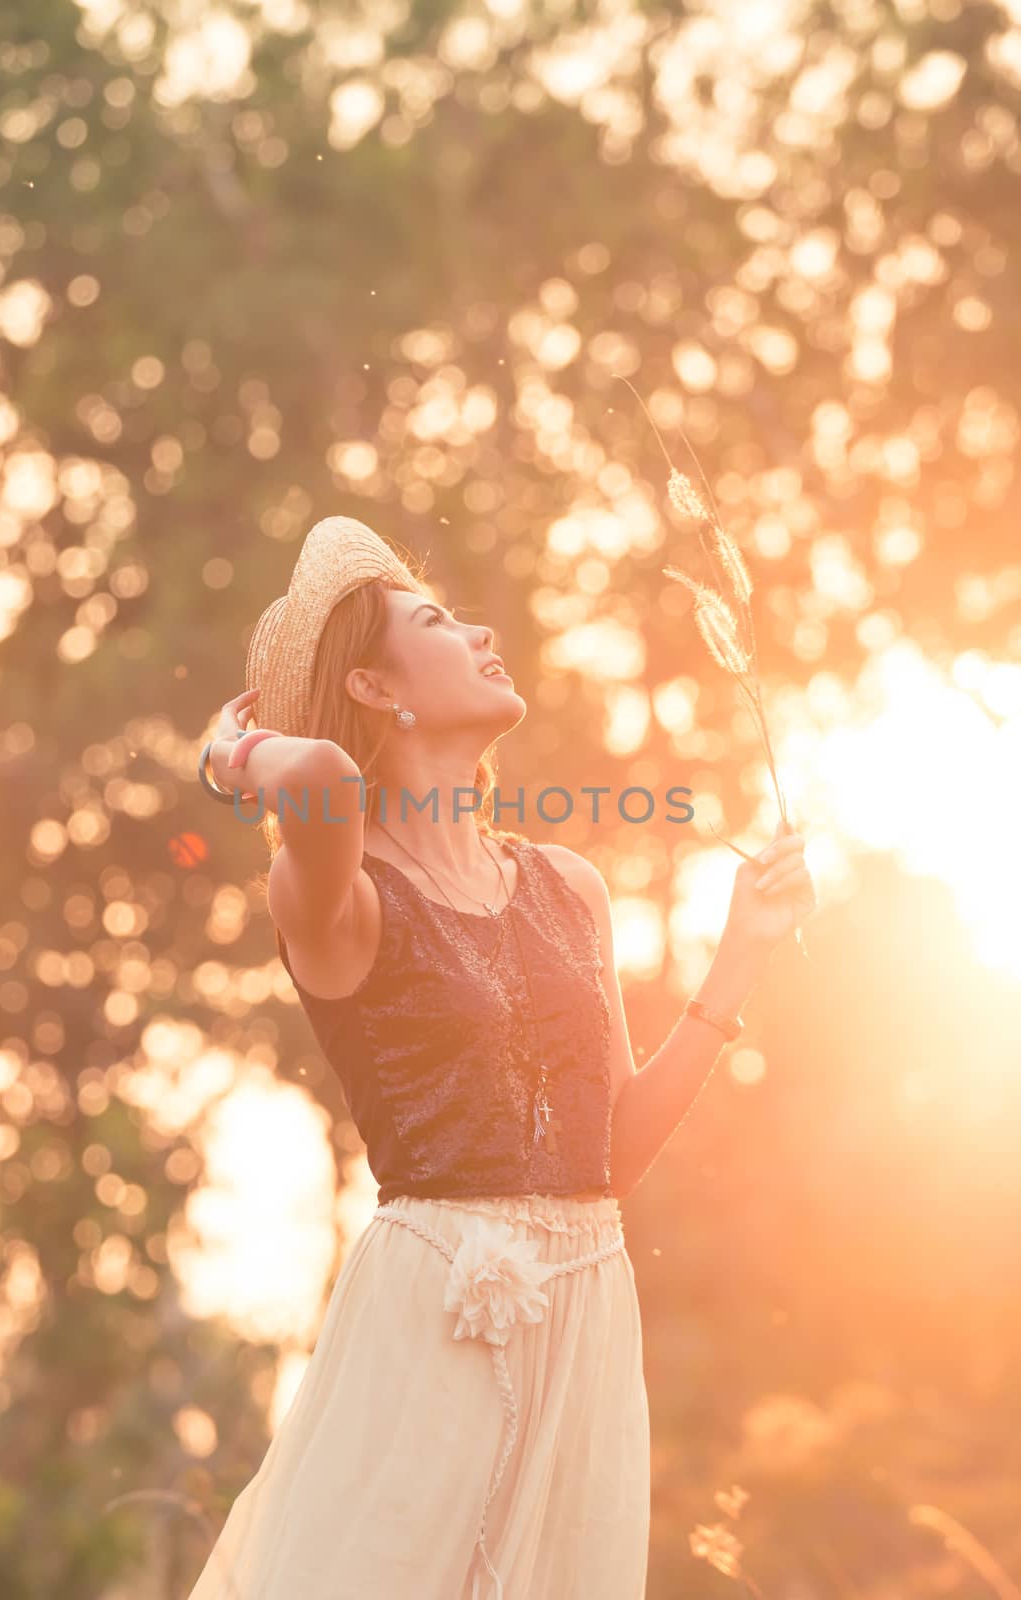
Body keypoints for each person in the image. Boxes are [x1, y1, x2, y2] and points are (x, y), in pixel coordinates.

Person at [190, 515, 817, 1599]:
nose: (482, 631)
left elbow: (608, 1159)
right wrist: (225, 755)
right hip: (431, 1326)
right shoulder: (339, 896)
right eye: (436, 622)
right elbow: (326, 775)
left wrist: (737, 963)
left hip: (586, 1319)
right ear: (378, 689)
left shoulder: (566, 886)